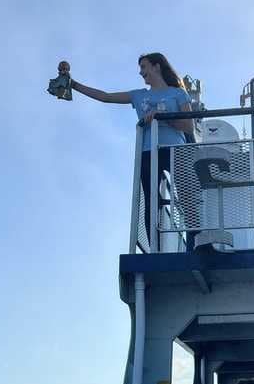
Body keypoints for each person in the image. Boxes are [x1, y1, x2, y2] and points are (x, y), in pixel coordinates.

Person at [66, 53, 194, 245]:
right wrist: (73, 85)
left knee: (187, 196)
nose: (141, 72)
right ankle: (155, 249)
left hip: (175, 150)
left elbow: (188, 126)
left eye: (144, 67)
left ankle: (198, 243)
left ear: (157, 66)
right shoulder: (139, 95)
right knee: (151, 202)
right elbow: (105, 97)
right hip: (148, 152)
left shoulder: (178, 93)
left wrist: (163, 117)